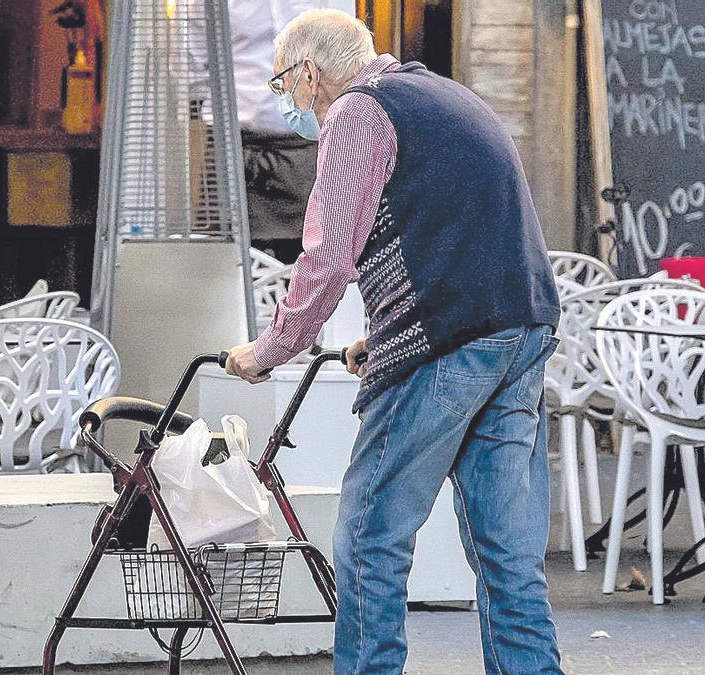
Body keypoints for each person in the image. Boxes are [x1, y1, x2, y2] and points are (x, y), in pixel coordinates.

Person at [224, 10, 563, 674]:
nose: (290, 105)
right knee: (506, 552)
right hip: (520, 331)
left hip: (450, 341)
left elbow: (327, 258)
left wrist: (268, 348)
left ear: (309, 73)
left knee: (369, 537)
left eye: (282, 87)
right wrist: (383, 336)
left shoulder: (356, 111)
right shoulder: (443, 93)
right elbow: (445, 226)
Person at [229, 0, 326, 263]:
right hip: (241, 153)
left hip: (312, 152)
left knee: (315, 264)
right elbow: (193, 69)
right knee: (242, 270)